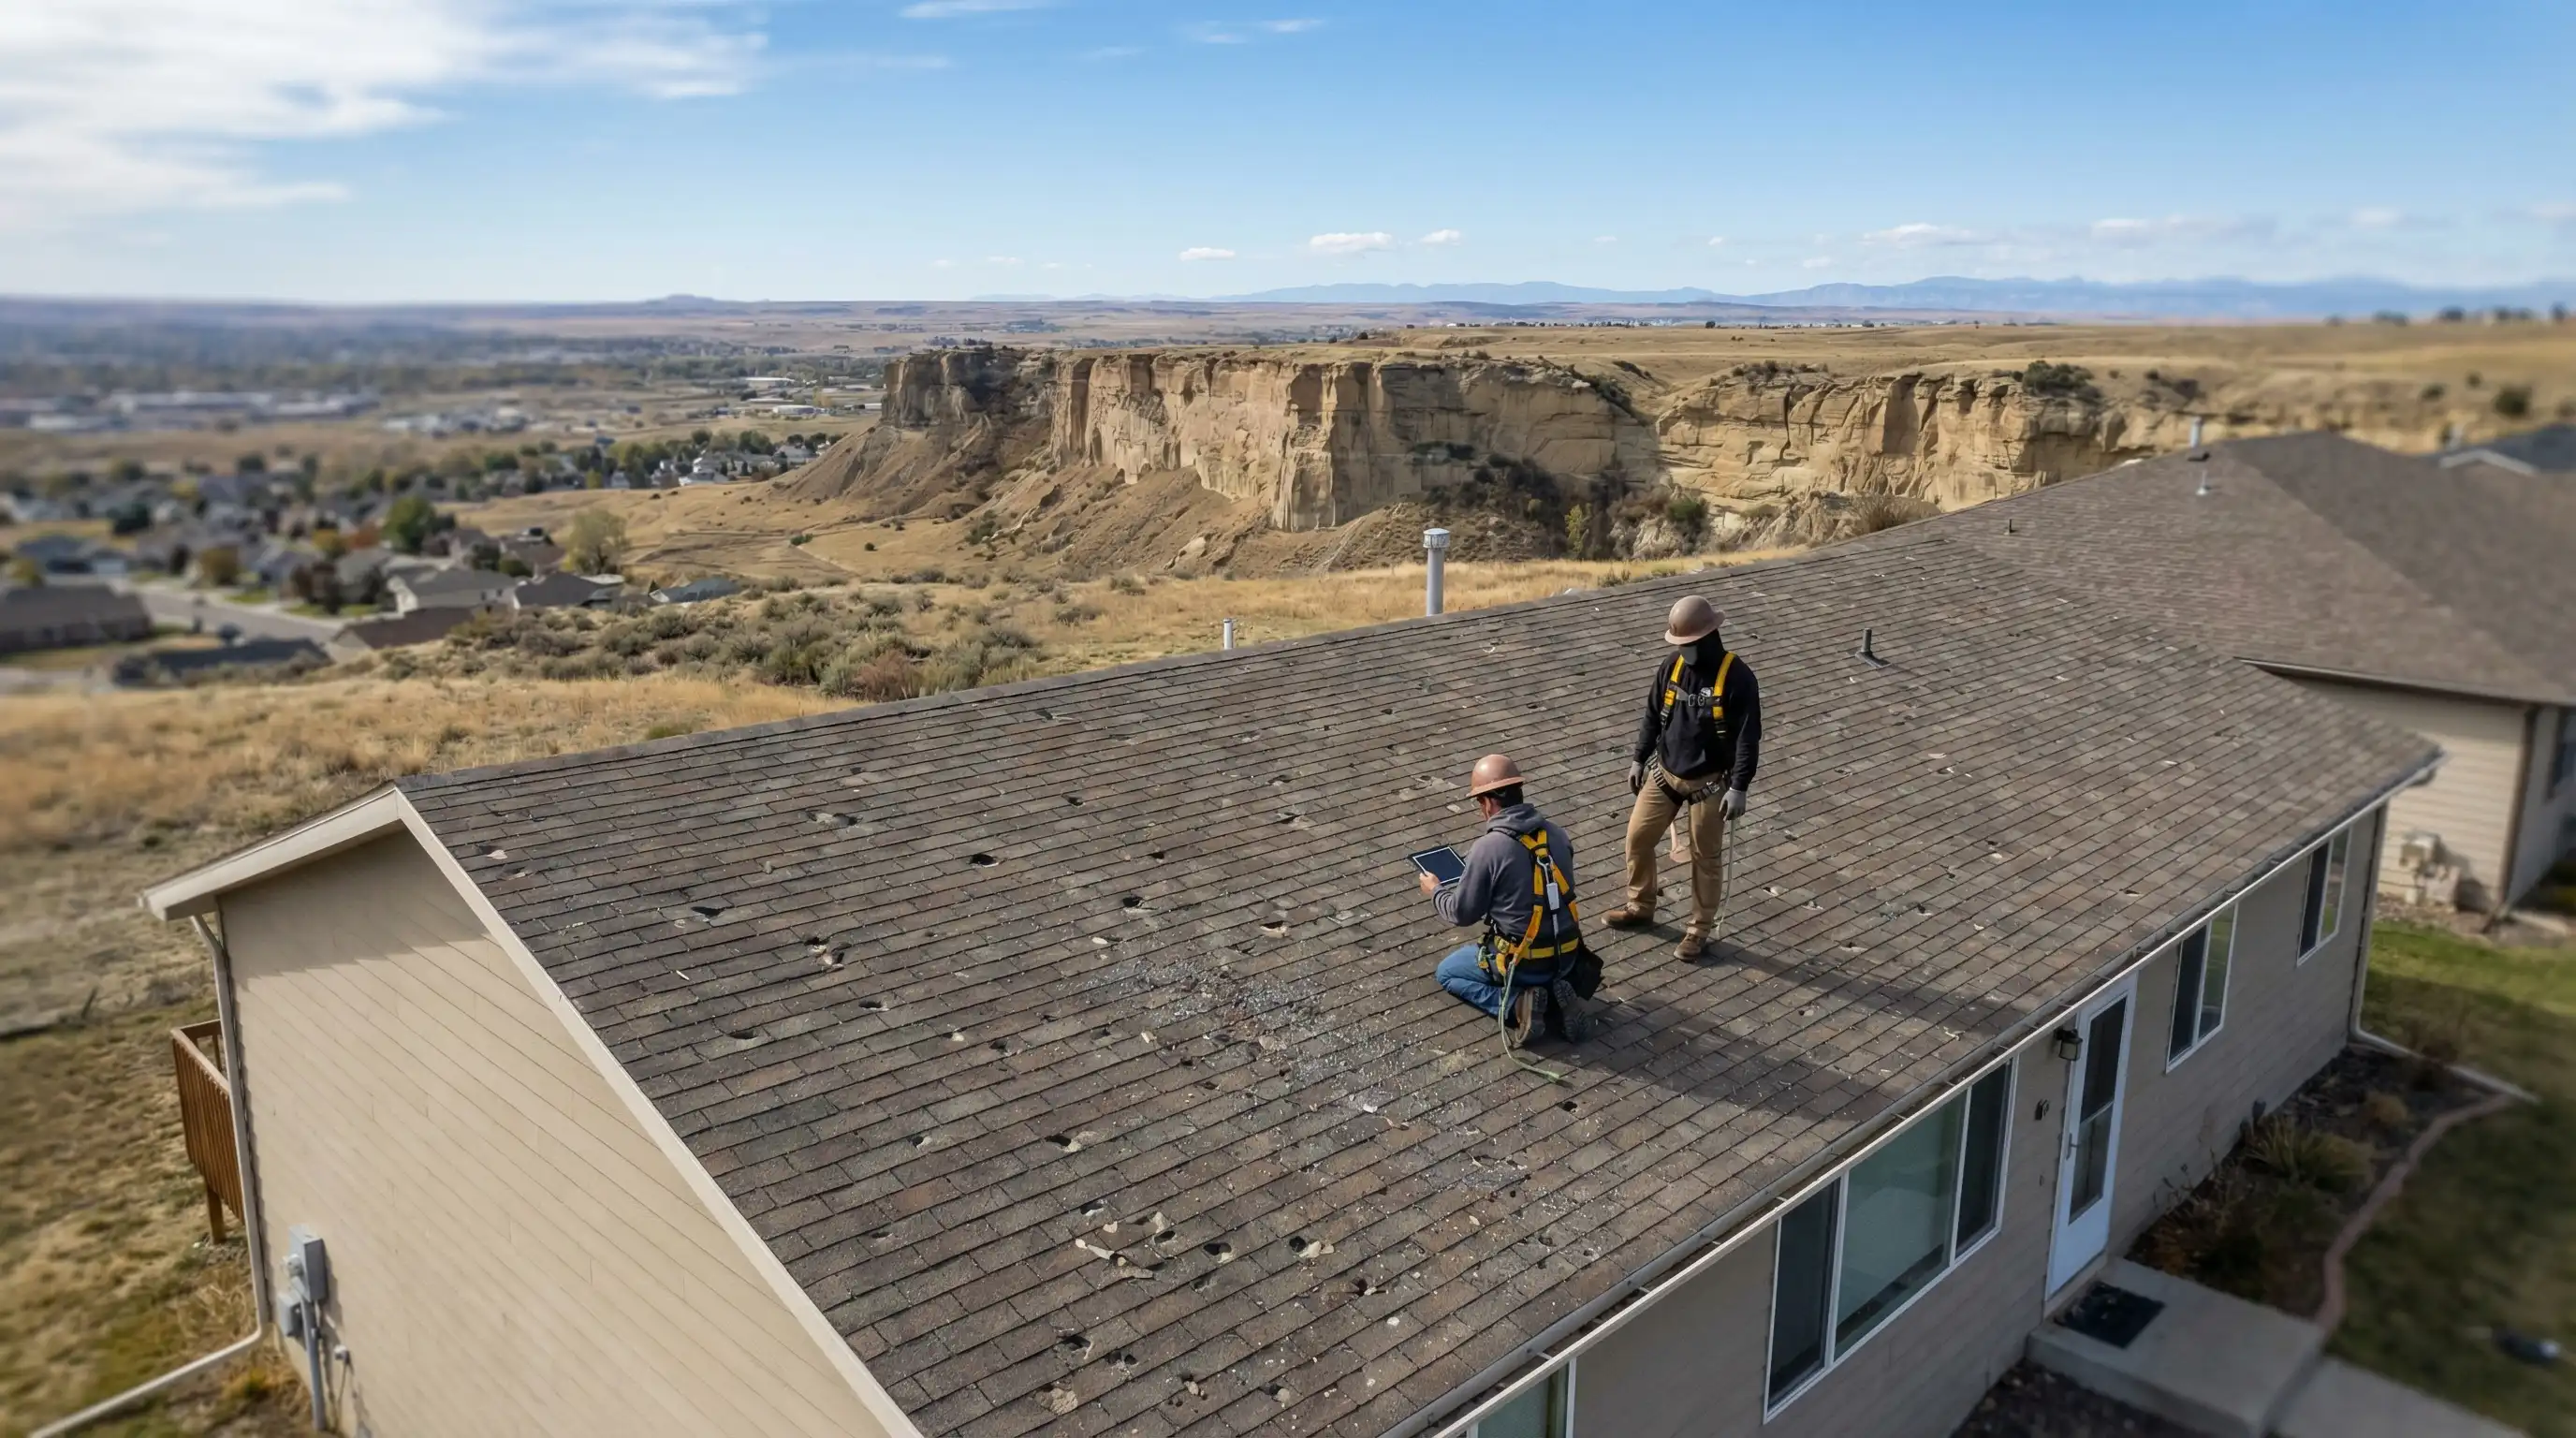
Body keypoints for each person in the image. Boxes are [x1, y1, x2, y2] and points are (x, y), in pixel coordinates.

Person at [1602, 594, 1762, 960]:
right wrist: (1639, 759)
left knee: (1705, 857)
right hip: (1664, 774)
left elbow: (1747, 737)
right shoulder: (1672, 667)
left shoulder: (1736, 678)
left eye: (1687, 644)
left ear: (1707, 638)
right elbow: (1651, 713)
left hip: (1708, 784)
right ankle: (1640, 905)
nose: (1682, 650)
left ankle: (1698, 929)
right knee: (1637, 839)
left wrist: (1739, 786)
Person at [1423, 754, 1592, 1047]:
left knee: (1448, 972)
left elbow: (1461, 913)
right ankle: (1556, 998)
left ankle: (1517, 1005)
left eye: (1479, 803)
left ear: (1488, 803)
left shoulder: (1488, 848)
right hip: (1566, 957)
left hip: (1523, 962)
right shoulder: (1557, 834)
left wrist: (1436, 890)